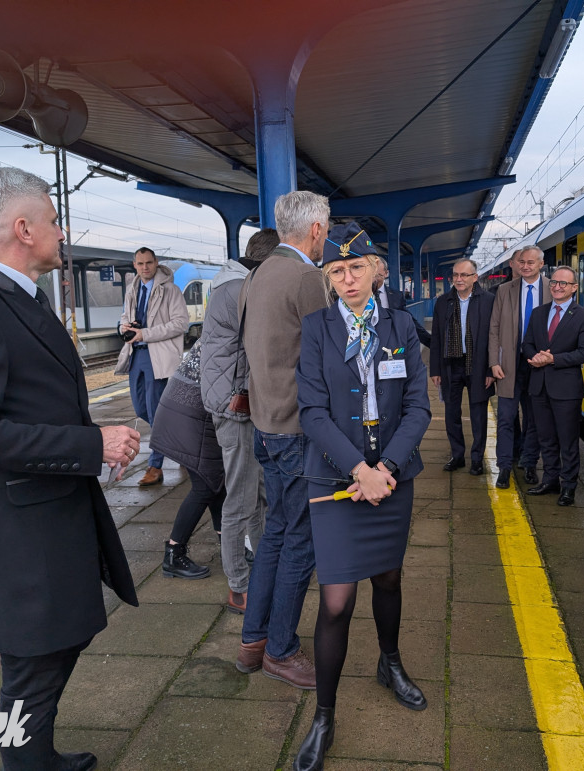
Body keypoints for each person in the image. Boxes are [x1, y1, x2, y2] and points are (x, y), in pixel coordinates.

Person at [0, 166, 141, 770]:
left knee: (55, 651)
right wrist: (90, 446)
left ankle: (36, 756)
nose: (61, 231)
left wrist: (90, 450)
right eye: (52, 219)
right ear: (23, 228)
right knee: (35, 670)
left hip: (48, 517)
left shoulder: (17, 296)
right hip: (23, 533)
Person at [292, 221, 431, 771]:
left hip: (391, 478)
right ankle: (324, 716)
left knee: (389, 578)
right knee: (336, 601)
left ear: (375, 269)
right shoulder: (316, 328)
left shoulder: (402, 325)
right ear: (328, 277)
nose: (347, 279)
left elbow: (418, 406)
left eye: (356, 267)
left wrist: (386, 468)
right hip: (337, 480)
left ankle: (389, 663)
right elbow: (312, 412)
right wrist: (358, 469)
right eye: (336, 271)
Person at [235, 191, 329, 689]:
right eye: (326, 228)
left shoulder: (257, 275)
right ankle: (281, 651)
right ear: (315, 229)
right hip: (297, 429)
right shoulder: (306, 277)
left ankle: (253, 641)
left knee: (275, 532)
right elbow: (327, 354)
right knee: (300, 541)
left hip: (266, 424)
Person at [199, 228, 277, 613]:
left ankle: (263, 569)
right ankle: (239, 586)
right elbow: (265, 343)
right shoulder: (240, 290)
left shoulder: (233, 283)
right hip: (236, 407)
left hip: (237, 403)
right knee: (242, 499)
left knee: (256, 494)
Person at [149, 339, 226, 580]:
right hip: (190, 418)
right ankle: (174, 554)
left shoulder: (219, 328)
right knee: (205, 487)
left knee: (216, 483)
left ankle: (228, 546)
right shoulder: (233, 331)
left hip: (185, 412)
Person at [114, 247, 188, 487]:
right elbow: (124, 317)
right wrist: (124, 328)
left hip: (158, 356)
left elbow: (181, 323)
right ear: (134, 265)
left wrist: (145, 333)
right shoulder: (132, 289)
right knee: (141, 409)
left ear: (156, 263)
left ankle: (155, 466)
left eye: (148, 262)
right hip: (135, 355)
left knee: (156, 413)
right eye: (140, 263)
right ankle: (181, 444)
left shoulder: (171, 290)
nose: (144, 267)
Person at [522, 265, 584, 506]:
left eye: (564, 283)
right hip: (539, 386)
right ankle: (550, 480)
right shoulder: (538, 313)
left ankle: (568, 486)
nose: (557, 287)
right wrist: (534, 357)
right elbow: (527, 344)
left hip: (566, 390)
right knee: (546, 438)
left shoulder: (583, 316)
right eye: (554, 282)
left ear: (574, 287)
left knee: (568, 441)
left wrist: (553, 359)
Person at [488, 246, 551, 488]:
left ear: (541, 264)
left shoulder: (552, 288)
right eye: (522, 262)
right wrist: (494, 362)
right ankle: (504, 467)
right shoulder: (505, 290)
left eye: (530, 262)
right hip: (508, 365)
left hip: (539, 364)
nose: (525, 266)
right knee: (506, 417)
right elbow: (494, 328)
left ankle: (529, 464)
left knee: (534, 419)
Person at [430, 258, 495, 475]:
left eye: (464, 275)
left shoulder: (488, 301)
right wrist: (435, 369)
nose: (458, 279)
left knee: (478, 415)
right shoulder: (443, 302)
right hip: (451, 364)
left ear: (475, 278)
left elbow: (494, 337)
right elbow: (436, 337)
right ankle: (457, 456)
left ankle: (477, 459)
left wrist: (491, 369)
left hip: (479, 364)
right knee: (451, 414)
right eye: (455, 275)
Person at [373, 257, 431, 346]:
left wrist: (431, 343)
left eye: (378, 275)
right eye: (371, 275)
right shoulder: (358, 296)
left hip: (390, 345)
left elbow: (411, 322)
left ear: (386, 273)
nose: (374, 279)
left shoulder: (397, 296)